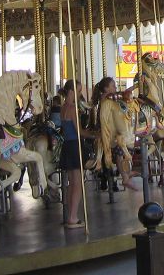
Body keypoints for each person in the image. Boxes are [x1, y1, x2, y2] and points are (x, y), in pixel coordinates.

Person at [91, 77, 139, 191]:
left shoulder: (108, 97)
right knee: (119, 149)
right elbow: (122, 94)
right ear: (106, 88)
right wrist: (134, 87)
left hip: (110, 129)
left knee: (123, 146)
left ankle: (125, 172)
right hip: (106, 130)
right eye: (113, 86)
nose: (115, 88)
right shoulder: (107, 97)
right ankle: (124, 176)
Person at [60, 79, 96, 229]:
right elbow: (79, 131)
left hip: (67, 145)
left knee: (71, 183)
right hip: (75, 145)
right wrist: (94, 135)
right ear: (71, 91)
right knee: (77, 183)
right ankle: (73, 218)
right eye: (79, 91)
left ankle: (71, 215)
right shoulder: (73, 108)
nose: (80, 94)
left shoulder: (63, 108)